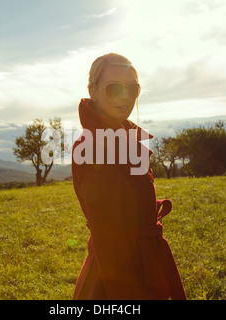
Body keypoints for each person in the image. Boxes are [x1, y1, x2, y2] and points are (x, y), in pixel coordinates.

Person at [71, 53, 187, 300]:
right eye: (114, 88)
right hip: (120, 278)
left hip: (145, 264)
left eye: (133, 88)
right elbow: (107, 235)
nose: (125, 96)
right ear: (92, 90)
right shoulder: (92, 147)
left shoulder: (123, 136)